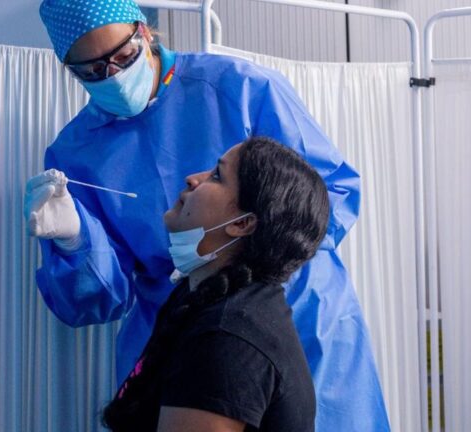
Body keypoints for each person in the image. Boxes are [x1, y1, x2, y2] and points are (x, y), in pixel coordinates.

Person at [24, 0, 389, 430]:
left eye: (122, 57)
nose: (113, 76)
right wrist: (75, 241)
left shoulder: (241, 89)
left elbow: (326, 195)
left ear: (145, 33)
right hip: (184, 323)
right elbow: (102, 296)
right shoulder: (76, 153)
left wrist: (253, 267)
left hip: (296, 302)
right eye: (91, 71)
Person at [102, 136, 324, 431]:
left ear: (242, 223)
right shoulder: (200, 295)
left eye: (216, 176)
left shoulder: (227, 338)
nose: (193, 179)